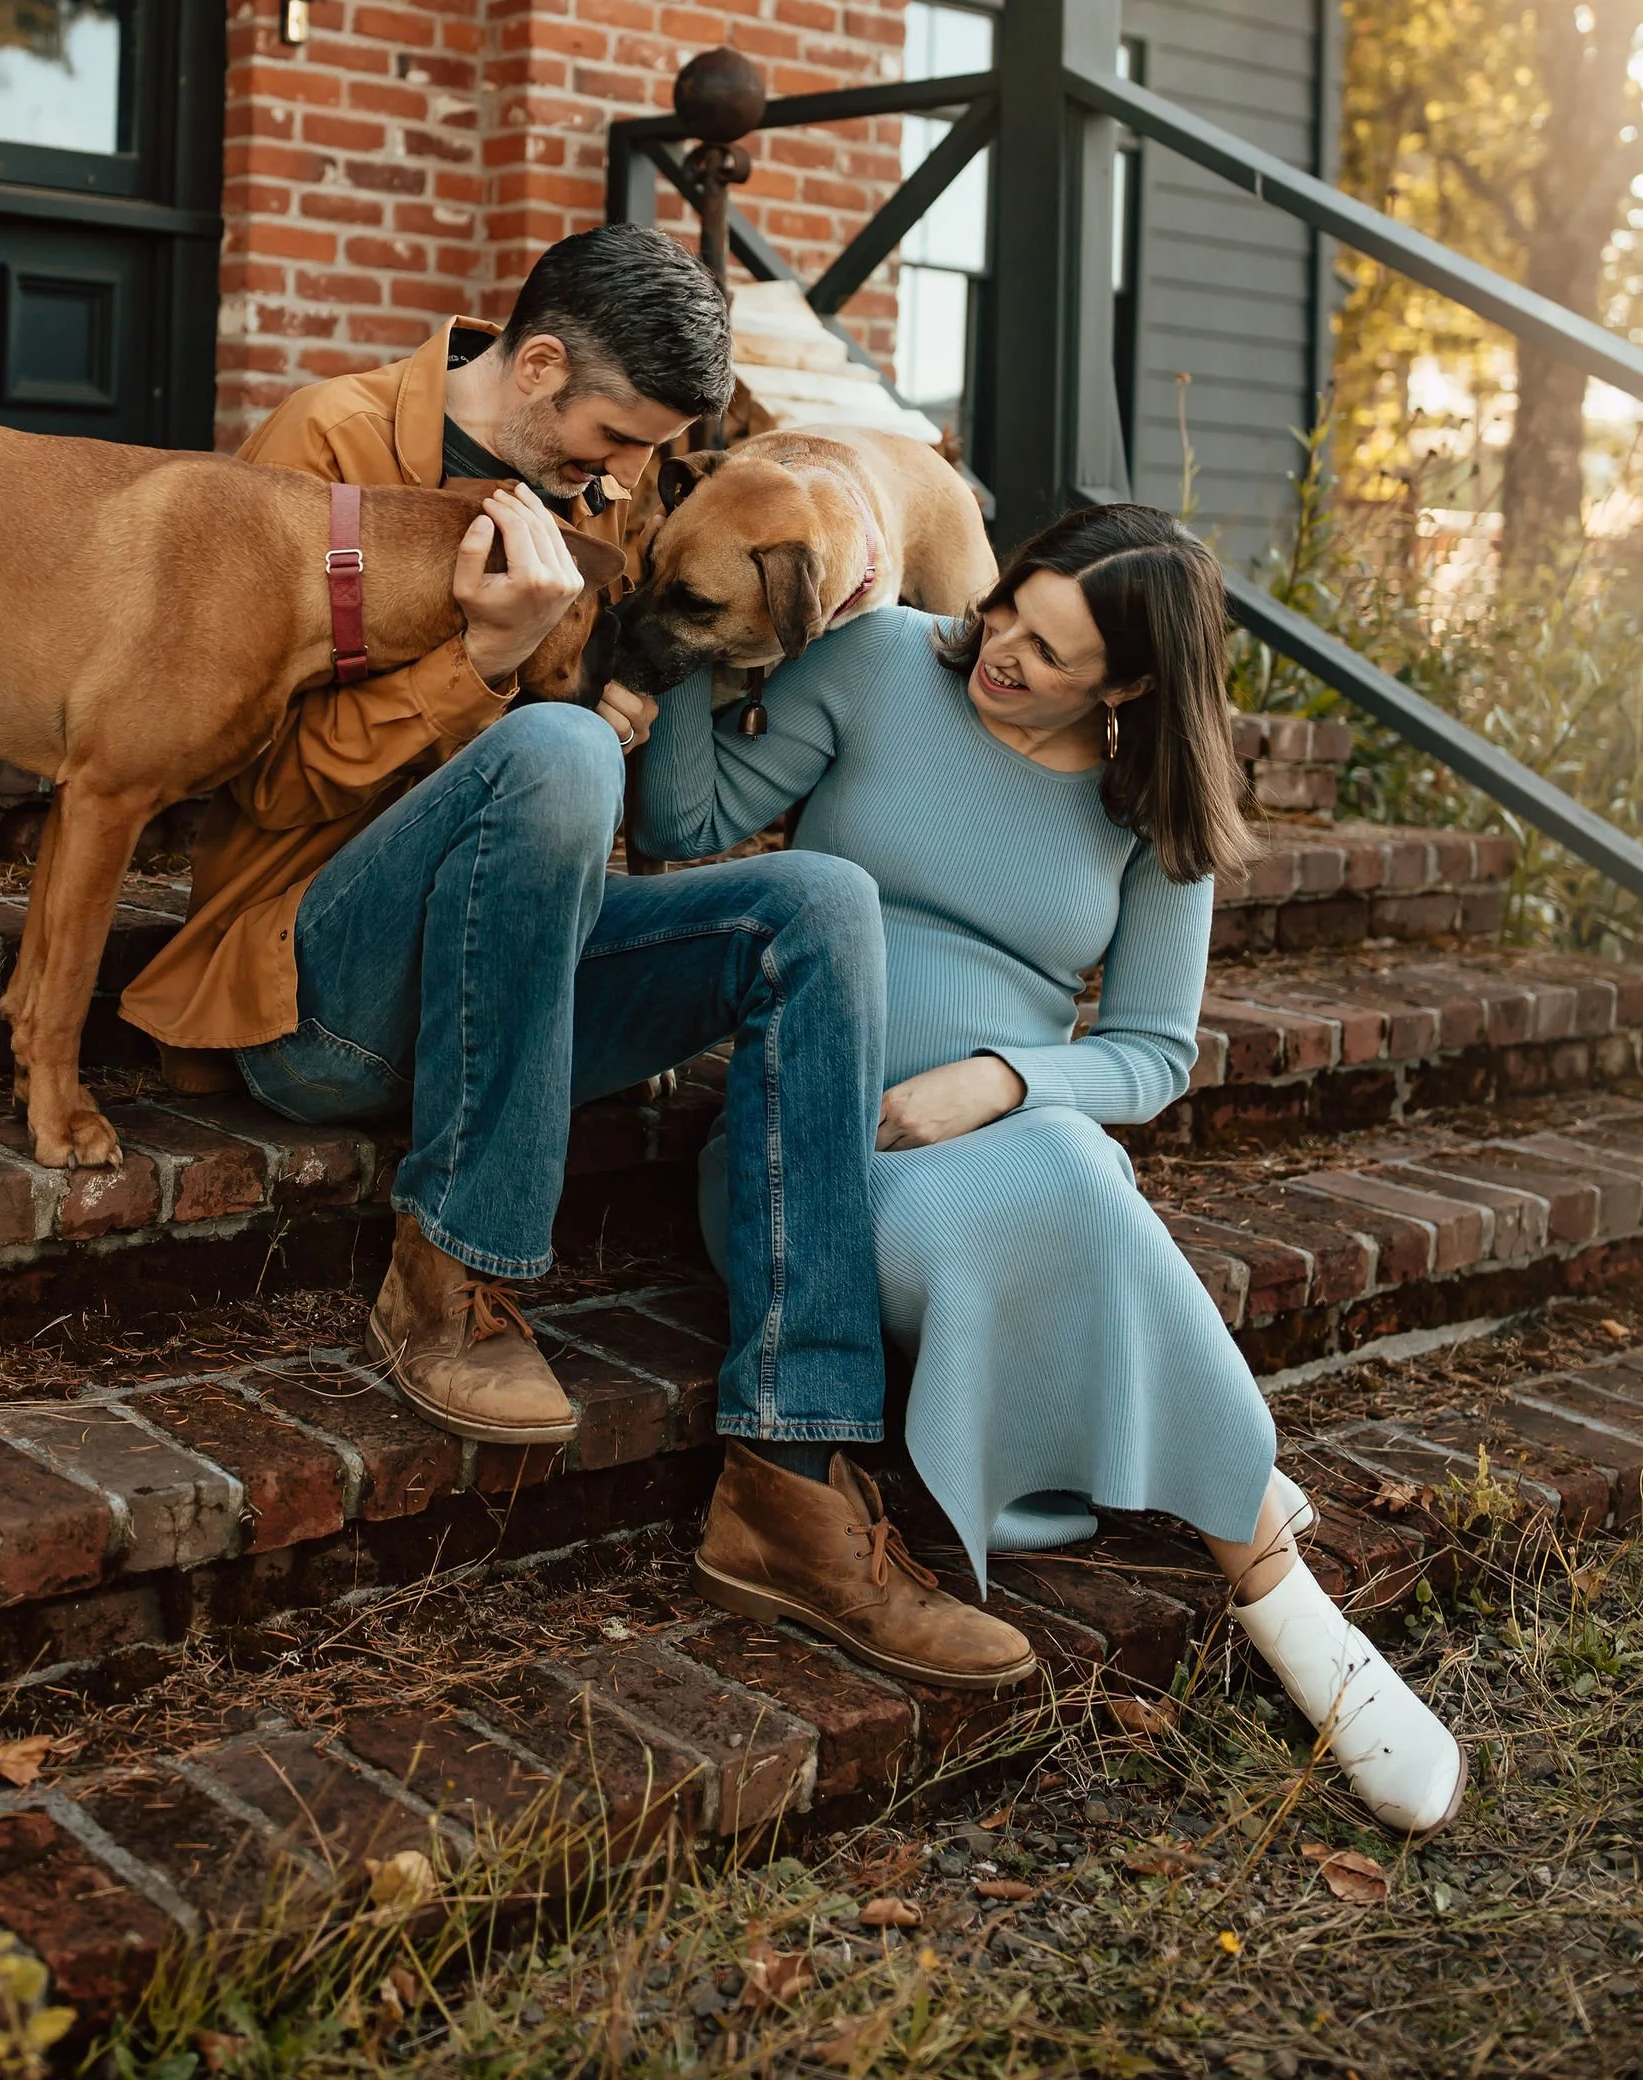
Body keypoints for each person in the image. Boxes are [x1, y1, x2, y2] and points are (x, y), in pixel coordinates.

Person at [121, 224, 1034, 1695]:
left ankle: (792, 1477)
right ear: (538, 366)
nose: (626, 473)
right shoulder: (327, 444)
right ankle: (457, 1266)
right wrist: (477, 665)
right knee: (549, 746)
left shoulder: (599, 492)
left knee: (820, 906)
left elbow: (660, 779)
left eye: (654, 453)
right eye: (616, 436)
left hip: (509, 984)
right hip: (316, 994)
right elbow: (235, 779)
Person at [633, 500, 1465, 1838]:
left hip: (1004, 1145)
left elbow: (1149, 1053)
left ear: (1130, 684)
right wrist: (690, 648)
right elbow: (686, 817)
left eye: (1051, 650)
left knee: (1070, 1163)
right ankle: (1256, 1534)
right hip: (807, 1149)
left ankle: (1273, 1588)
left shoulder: (1153, 808)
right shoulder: (884, 659)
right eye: (1010, 605)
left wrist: (1003, 1080)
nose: (1000, 649)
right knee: (1077, 1186)